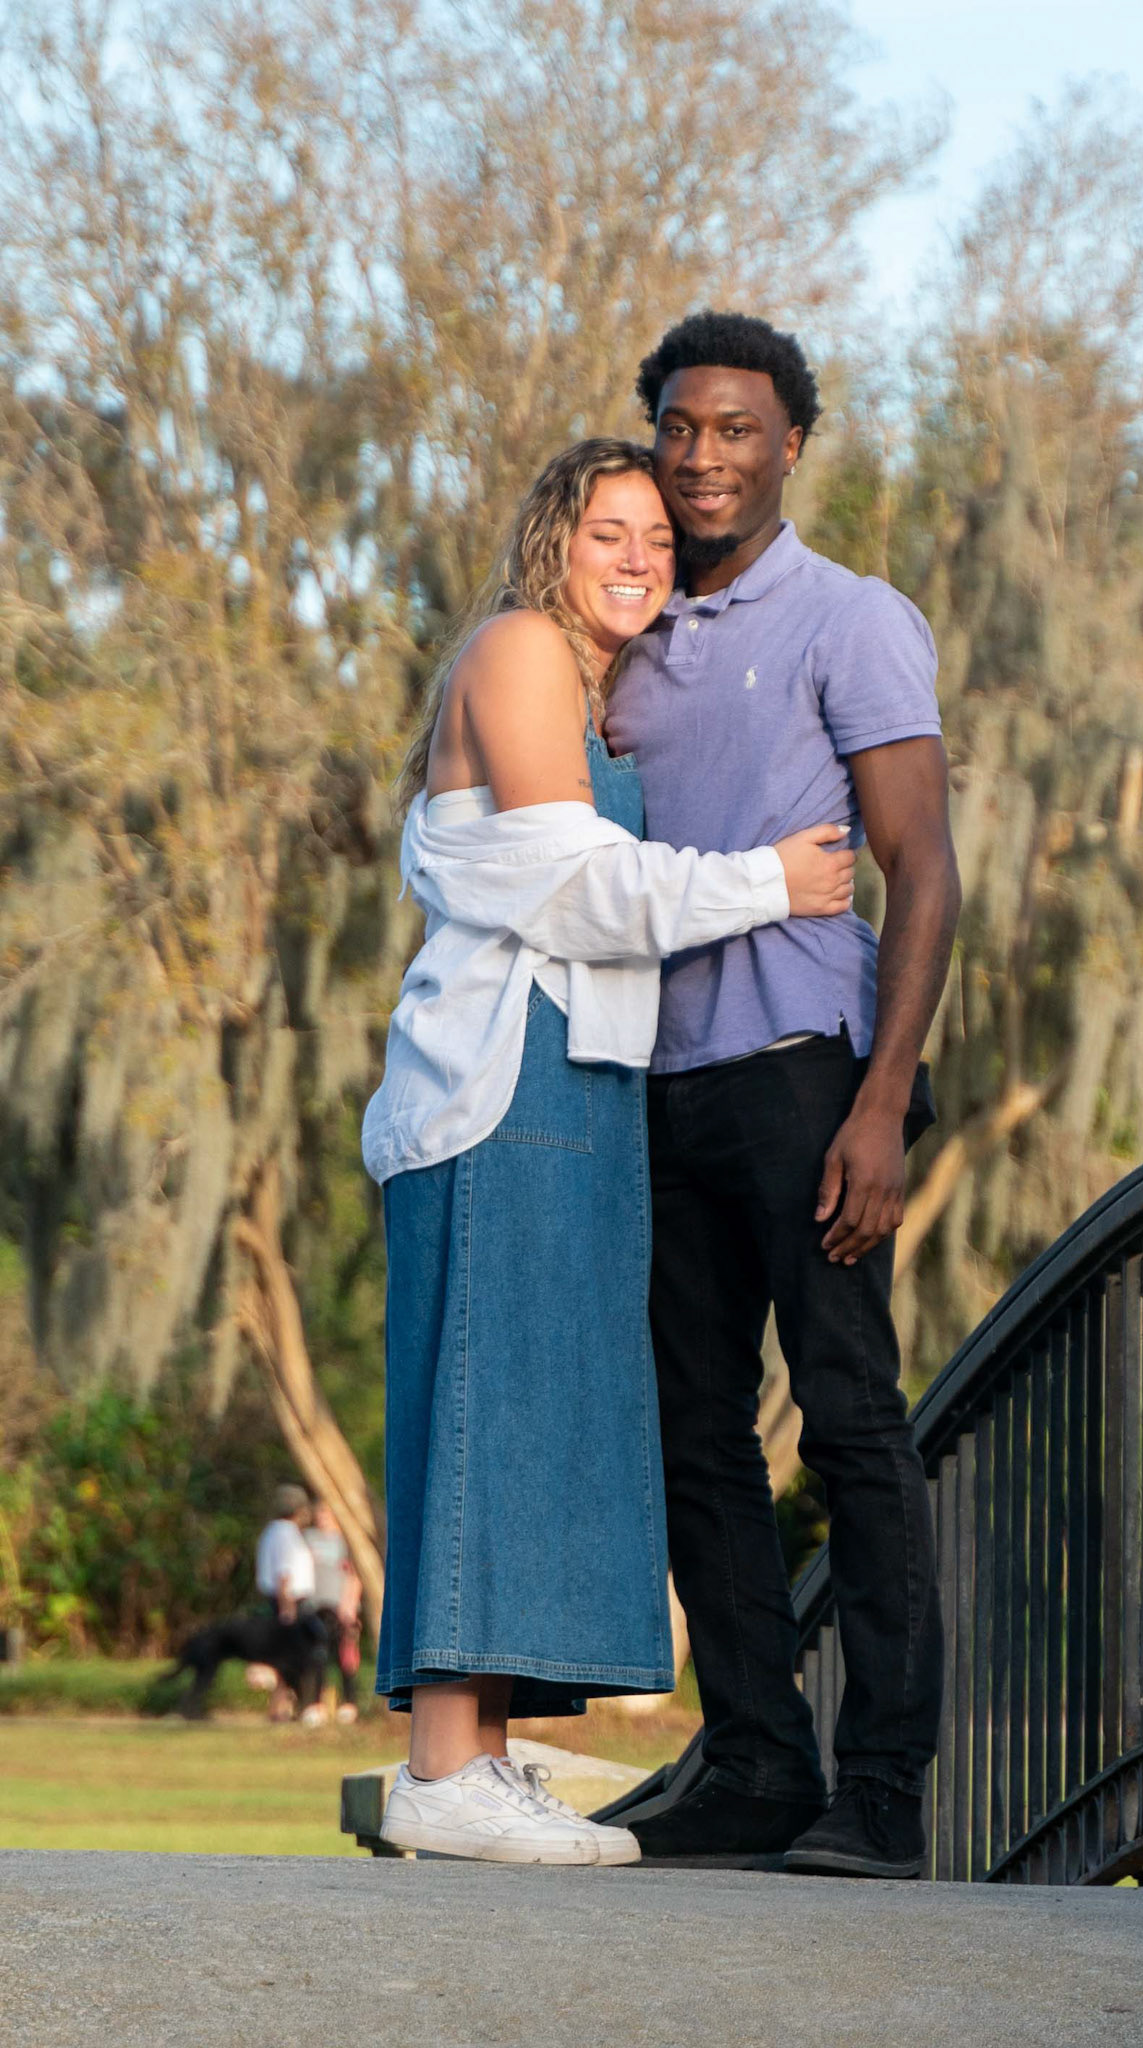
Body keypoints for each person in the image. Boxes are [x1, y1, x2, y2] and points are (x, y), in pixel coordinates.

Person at [359, 437, 857, 1866]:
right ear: (552, 543)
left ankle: (477, 1760)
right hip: (499, 1080)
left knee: (538, 1415)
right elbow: (577, 890)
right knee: (487, 1407)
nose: (638, 557)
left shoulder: (592, 690)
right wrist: (772, 882)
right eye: (607, 532)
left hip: (579, 1090)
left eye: (655, 538)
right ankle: (438, 1766)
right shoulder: (521, 650)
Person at [607, 312, 961, 1880]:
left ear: (790, 445)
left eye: (737, 428)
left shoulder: (849, 617)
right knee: (695, 1436)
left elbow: (923, 869)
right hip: (654, 1087)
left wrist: (879, 1106)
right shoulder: (623, 631)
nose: (704, 456)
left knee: (850, 1420)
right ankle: (755, 1761)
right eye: (681, 427)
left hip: (804, 1078)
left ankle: (881, 1789)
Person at [255, 1483, 329, 1726]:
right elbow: (284, 1574)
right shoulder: (286, 1534)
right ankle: (304, 1705)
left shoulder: (272, 1531)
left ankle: (280, 1707)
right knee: (307, 1654)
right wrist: (287, 1609)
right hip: (291, 1602)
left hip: (281, 1600)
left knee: (284, 1657)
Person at [304, 1500, 362, 1725]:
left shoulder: (345, 1540)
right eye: (319, 1513)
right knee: (317, 1656)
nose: (322, 1517)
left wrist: (349, 1604)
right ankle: (316, 1704)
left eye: (327, 1513)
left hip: (340, 1607)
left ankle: (350, 1703)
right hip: (315, 1606)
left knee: (345, 1657)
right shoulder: (308, 1538)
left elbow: (354, 1575)